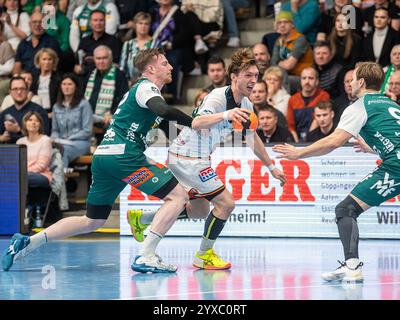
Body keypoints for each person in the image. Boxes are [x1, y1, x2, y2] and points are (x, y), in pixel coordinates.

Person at [1, 48, 195, 274]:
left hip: (105, 157)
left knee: (92, 220)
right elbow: (165, 111)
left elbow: (172, 133)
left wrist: (195, 144)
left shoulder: (151, 99)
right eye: (164, 63)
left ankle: (27, 242)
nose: (171, 67)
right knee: (178, 196)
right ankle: (146, 255)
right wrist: (196, 121)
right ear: (150, 69)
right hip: (123, 157)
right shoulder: (145, 88)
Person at [127, 48, 287, 270]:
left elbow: (251, 137)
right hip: (188, 157)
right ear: (234, 77)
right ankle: (204, 255)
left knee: (200, 210)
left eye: (256, 76)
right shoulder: (218, 97)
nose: (253, 81)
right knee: (226, 203)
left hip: (193, 157)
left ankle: (142, 219)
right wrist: (225, 115)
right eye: (248, 76)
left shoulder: (246, 104)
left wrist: (271, 166)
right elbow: (197, 123)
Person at [273, 61, 400, 282]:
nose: (349, 83)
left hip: (395, 168)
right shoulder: (392, 105)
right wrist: (373, 148)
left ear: (361, 82)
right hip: (394, 163)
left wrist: (298, 154)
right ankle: (350, 266)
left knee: (345, 210)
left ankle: (352, 266)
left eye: (352, 79)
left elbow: (334, 141)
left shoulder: (360, 106)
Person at [51, 73, 93, 169]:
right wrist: (56, 139)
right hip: (61, 142)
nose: (66, 87)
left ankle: (60, 181)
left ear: (76, 87)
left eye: (70, 84)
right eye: (64, 84)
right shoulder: (56, 106)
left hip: (81, 143)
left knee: (62, 151)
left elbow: (87, 130)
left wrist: (69, 138)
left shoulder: (84, 104)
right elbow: (55, 130)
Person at [0, 76, 49, 144]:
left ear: (27, 90)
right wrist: (3, 137)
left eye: (22, 88)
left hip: (32, 152)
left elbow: (44, 138)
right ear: (10, 92)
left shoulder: (39, 111)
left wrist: (18, 130)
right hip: (9, 151)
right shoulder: (5, 113)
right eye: (15, 89)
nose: (19, 92)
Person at [119, 11, 152, 86]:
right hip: (129, 85)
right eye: (140, 23)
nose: (143, 26)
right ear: (135, 25)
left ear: (149, 26)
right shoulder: (127, 44)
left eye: (146, 24)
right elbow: (122, 67)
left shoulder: (155, 44)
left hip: (149, 85)